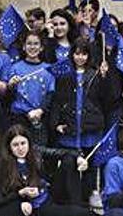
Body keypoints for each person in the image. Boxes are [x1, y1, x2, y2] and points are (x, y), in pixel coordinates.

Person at [0, 125, 100, 216]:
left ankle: (77, 205)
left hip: (49, 193)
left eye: (23, 143)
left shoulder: (35, 152)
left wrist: (78, 157)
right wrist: (22, 193)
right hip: (35, 208)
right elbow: (2, 197)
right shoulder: (4, 164)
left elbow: (59, 152)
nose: (20, 148)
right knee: (79, 214)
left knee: (69, 159)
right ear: (9, 147)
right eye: (15, 145)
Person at [48, 38, 111, 206]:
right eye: (77, 53)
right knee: (70, 163)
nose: (80, 57)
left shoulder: (96, 74)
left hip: (90, 127)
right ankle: (72, 199)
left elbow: (106, 99)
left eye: (84, 54)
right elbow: (57, 102)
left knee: (90, 165)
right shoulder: (65, 75)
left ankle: (87, 195)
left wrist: (105, 77)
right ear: (72, 54)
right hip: (70, 126)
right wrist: (56, 124)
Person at [7, 30, 55, 146]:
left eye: (36, 44)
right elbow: (9, 96)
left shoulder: (48, 69)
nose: (32, 47)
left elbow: (51, 94)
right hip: (19, 117)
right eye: (29, 44)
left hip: (40, 117)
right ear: (23, 47)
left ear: (41, 47)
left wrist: (41, 110)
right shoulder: (15, 67)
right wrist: (11, 85)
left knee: (39, 151)